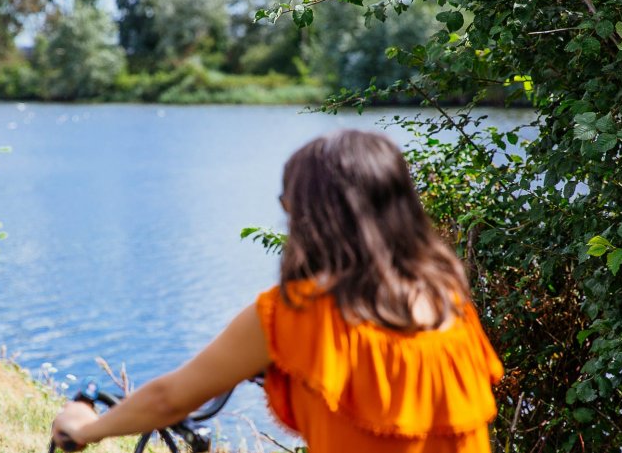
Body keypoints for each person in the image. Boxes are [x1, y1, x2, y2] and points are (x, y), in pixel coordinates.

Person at [52, 130, 503, 452]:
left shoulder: (296, 312)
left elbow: (169, 399)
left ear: (310, 216)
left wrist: (88, 427)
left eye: (288, 207)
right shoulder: (449, 301)